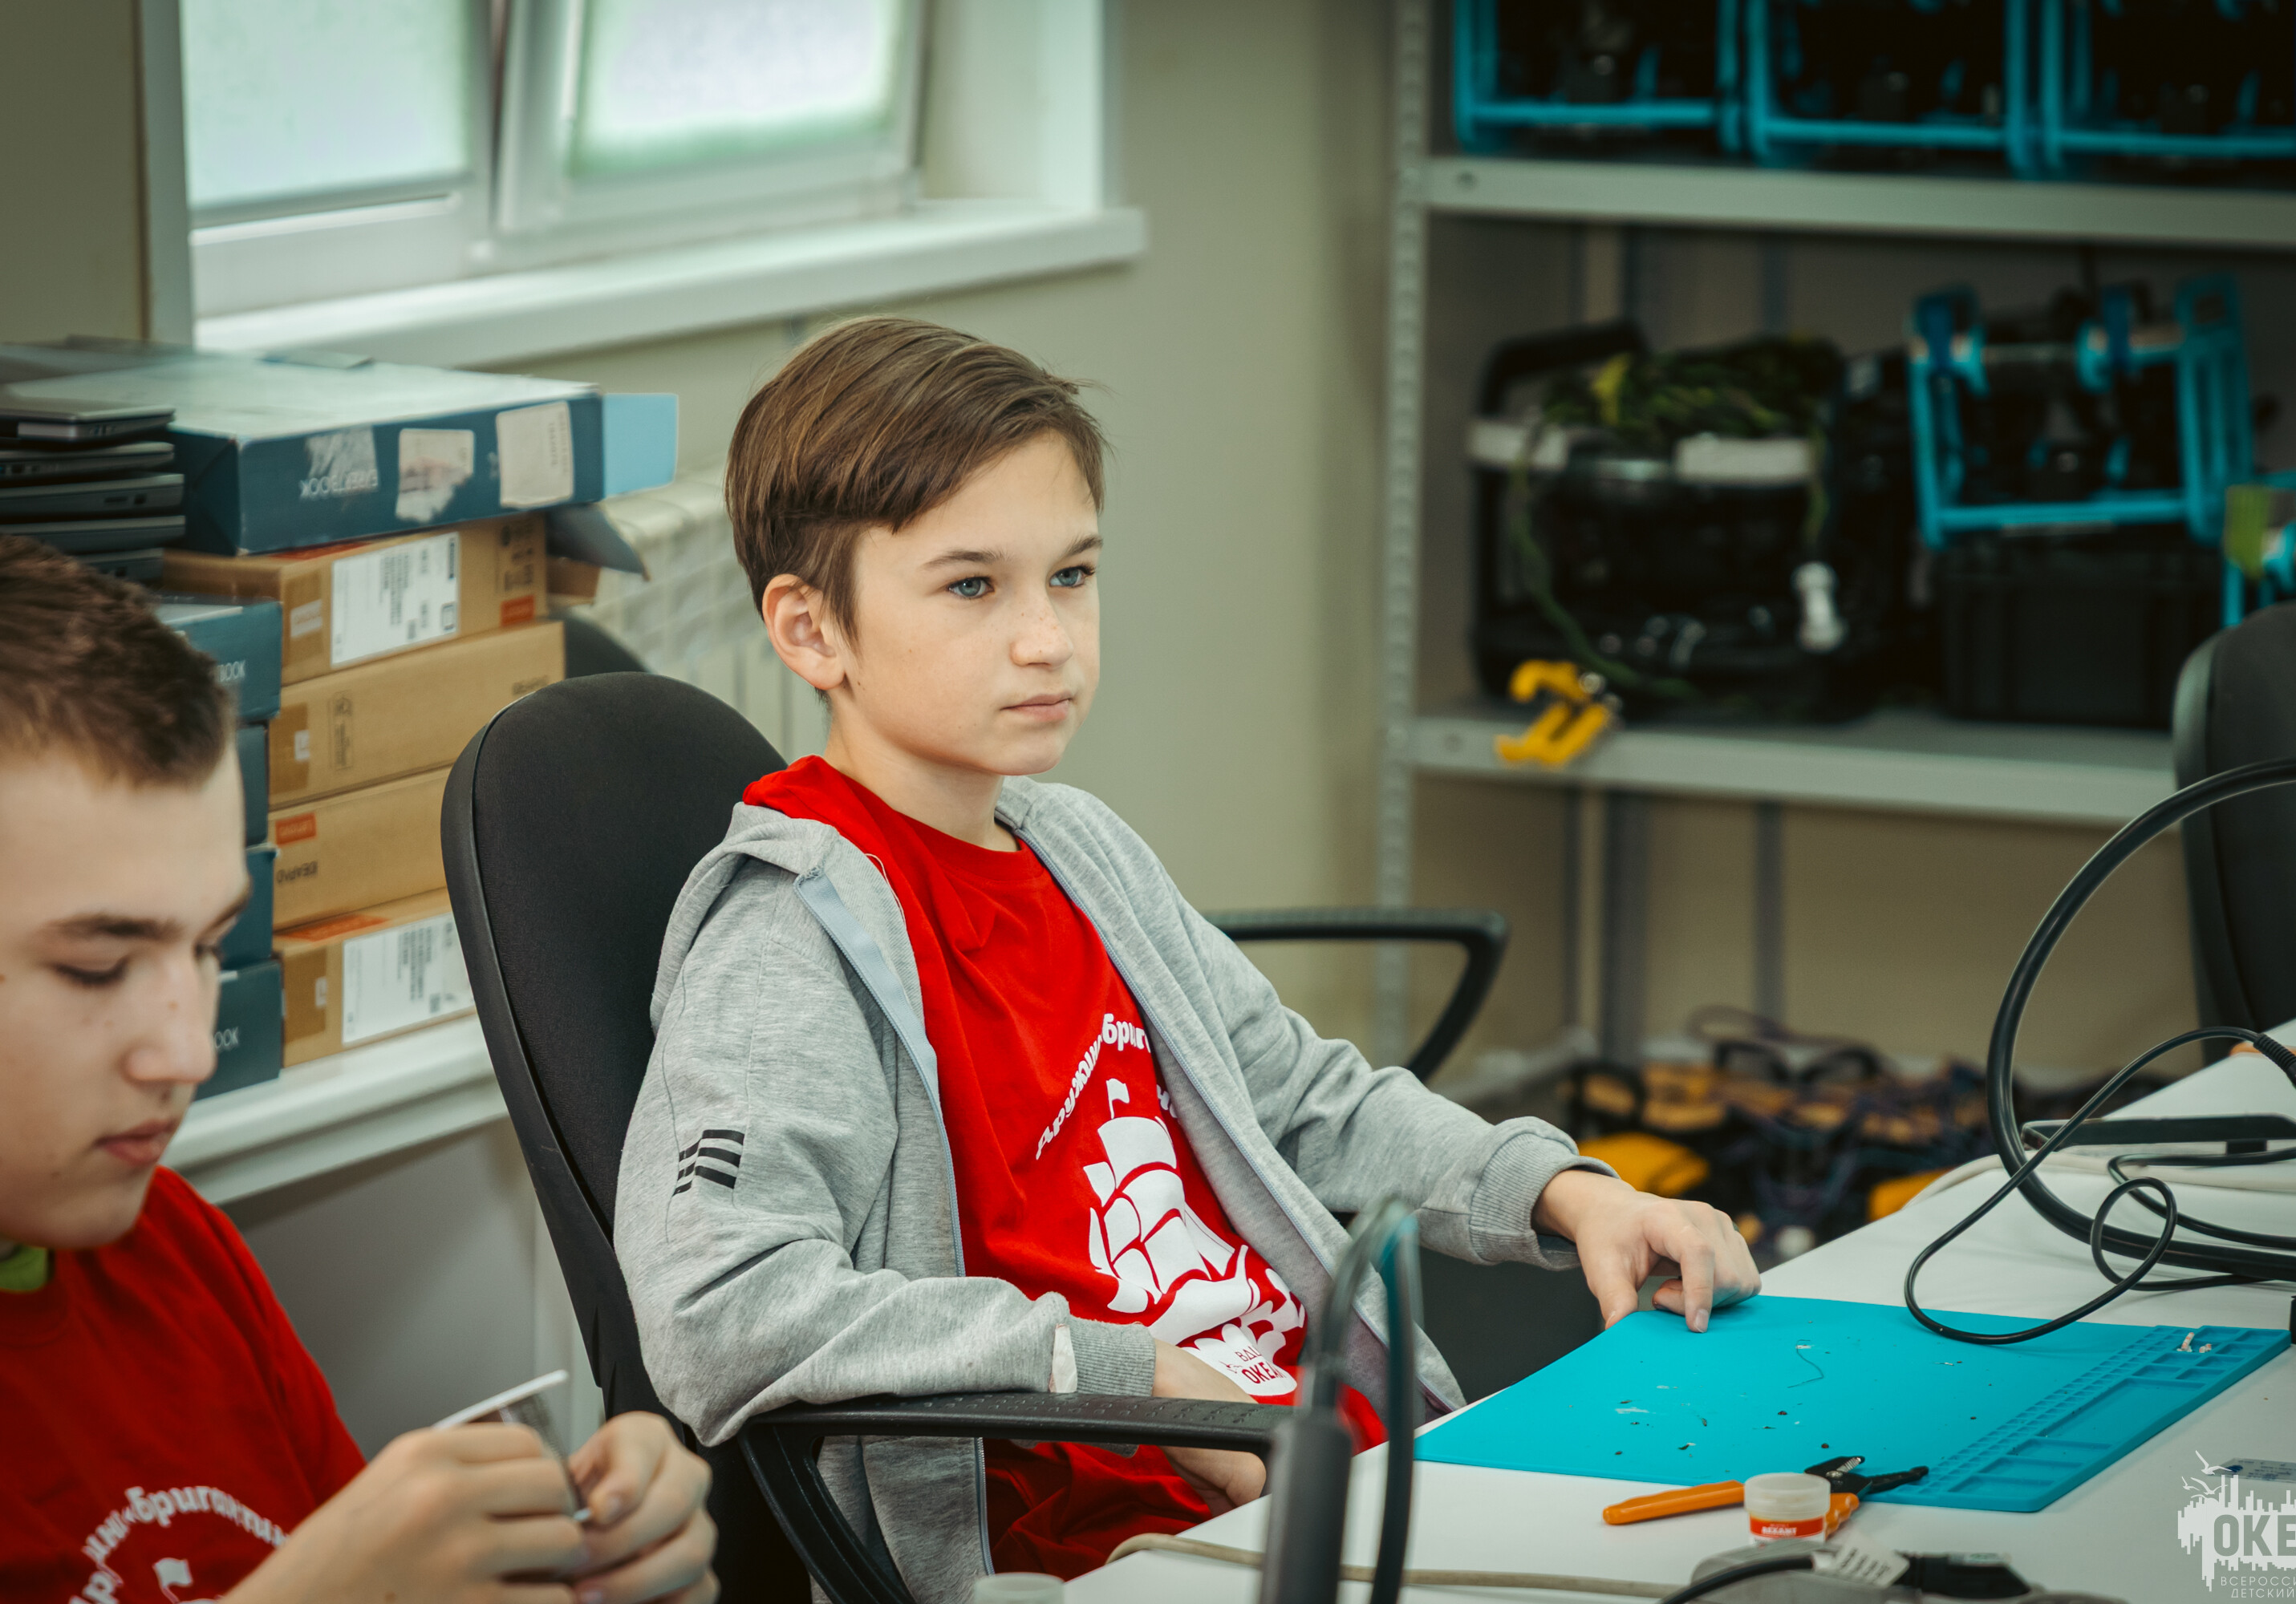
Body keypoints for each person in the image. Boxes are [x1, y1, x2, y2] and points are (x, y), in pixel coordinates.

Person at [615, 317, 1761, 1594]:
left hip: (1326, 1462)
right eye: (972, 587)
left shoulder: (1074, 847)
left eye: (1072, 575)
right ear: (810, 630)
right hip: (1112, 1544)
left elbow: (1302, 1098)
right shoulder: (791, 937)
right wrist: (1133, 1374)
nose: (1048, 639)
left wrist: (1569, 1194)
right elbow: (719, 1308)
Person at [0, 535, 719, 1604]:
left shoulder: (174, 1249)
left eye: (211, 948)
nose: (187, 1052)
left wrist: (571, 1566)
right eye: (97, 967)